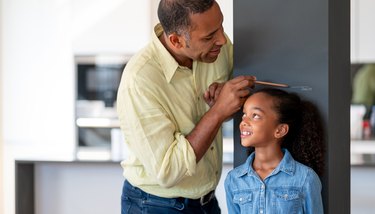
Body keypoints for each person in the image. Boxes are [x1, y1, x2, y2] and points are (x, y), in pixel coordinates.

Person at [116, 0, 255, 213]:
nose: (221, 40)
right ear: (176, 41)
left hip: (207, 201)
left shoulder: (217, 48)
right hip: (156, 205)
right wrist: (217, 112)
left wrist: (226, 100)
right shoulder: (140, 80)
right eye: (209, 37)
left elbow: (230, 107)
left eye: (221, 26)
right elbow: (169, 171)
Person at [224, 88, 325, 214]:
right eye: (244, 114)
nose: (244, 122)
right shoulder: (233, 179)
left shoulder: (306, 178)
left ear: (280, 130)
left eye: (255, 115)